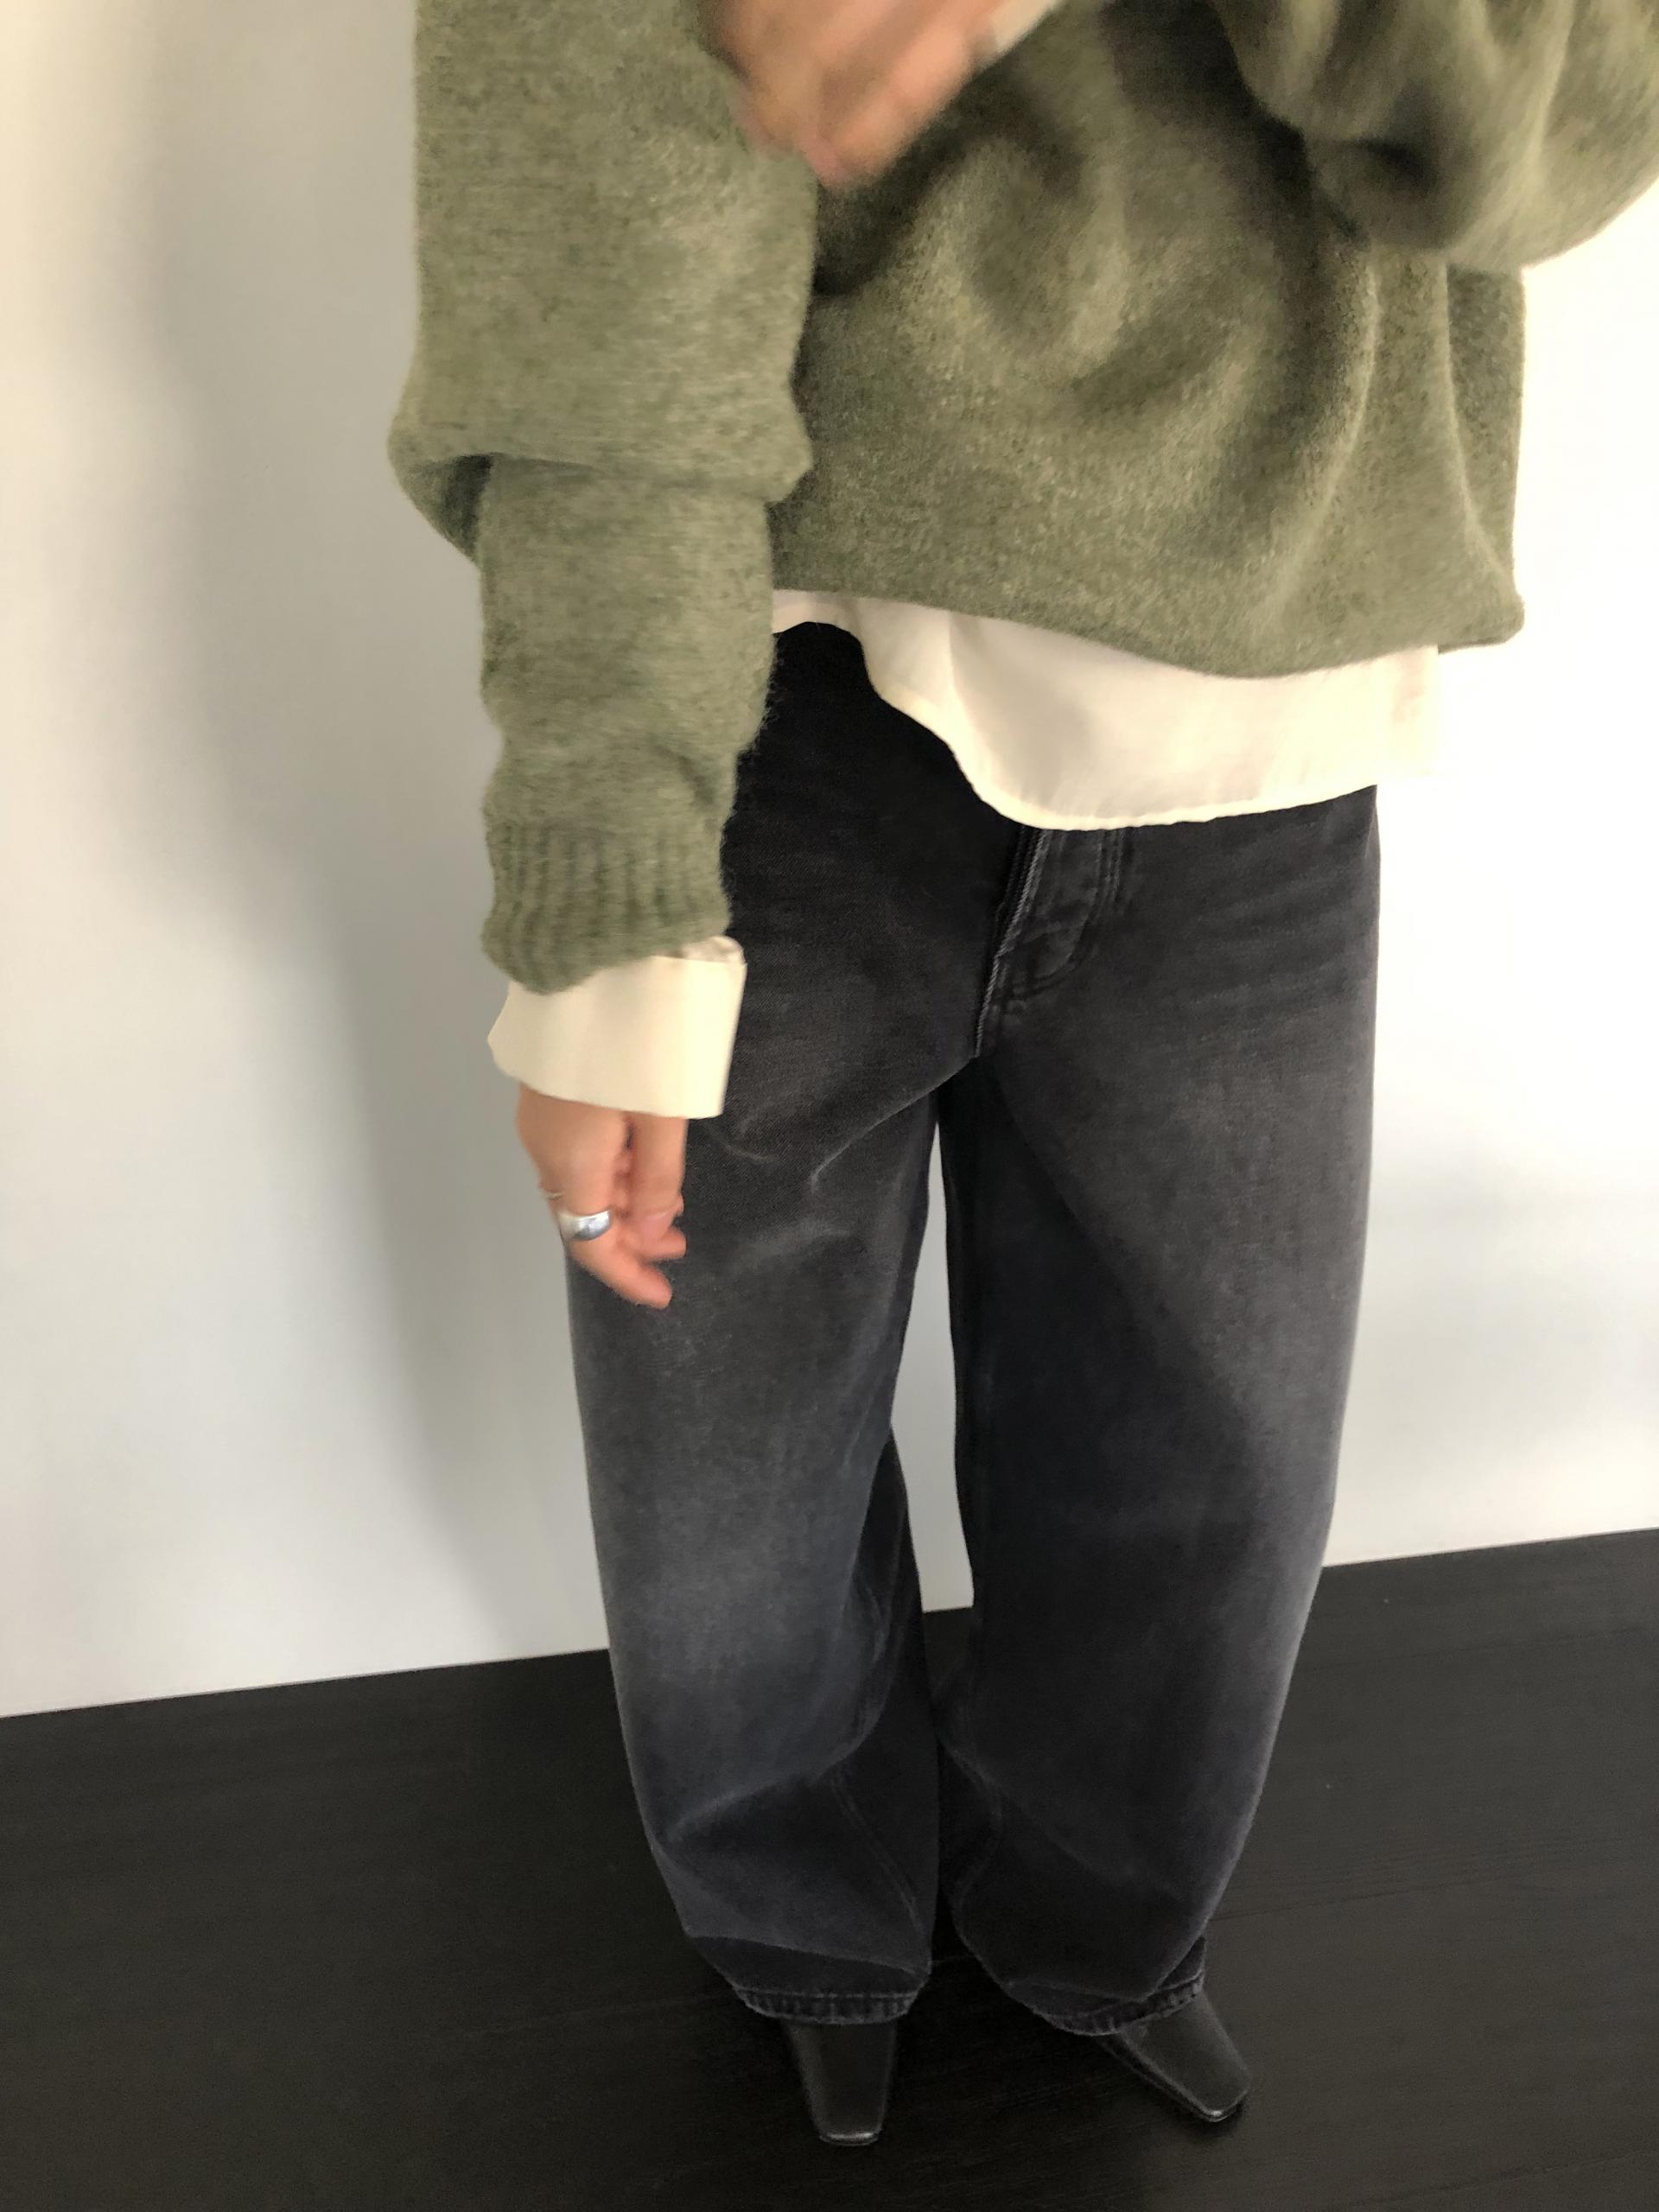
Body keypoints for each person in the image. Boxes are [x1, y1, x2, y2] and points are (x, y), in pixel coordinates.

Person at [385, 0, 1659, 2150]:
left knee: (1211, 1480)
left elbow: (1552, 124)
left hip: (1269, 730)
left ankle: (1099, 1925)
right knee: (722, 1506)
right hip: (792, 709)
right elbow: (591, 216)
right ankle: (802, 1923)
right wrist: (607, 889)